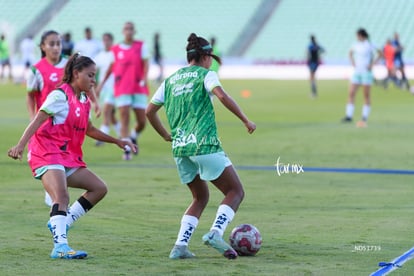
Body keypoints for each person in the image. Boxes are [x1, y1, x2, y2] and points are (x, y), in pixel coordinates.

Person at [7, 53, 136, 259]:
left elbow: (90, 129)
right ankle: (60, 247)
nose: (93, 81)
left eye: (95, 76)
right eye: (90, 75)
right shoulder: (60, 96)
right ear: (76, 74)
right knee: (62, 196)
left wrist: (118, 141)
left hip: (67, 156)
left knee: (99, 188)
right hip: (46, 153)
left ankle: (61, 222)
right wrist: (21, 145)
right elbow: (37, 120)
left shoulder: (83, 99)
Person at [146, 33, 256, 259]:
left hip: (180, 148)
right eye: (210, 58)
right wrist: (245, 119)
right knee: (235, 191)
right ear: (205, 57)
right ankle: (216, 232)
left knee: (200, 197)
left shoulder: (170, 80)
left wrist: (166, 134)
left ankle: (180, 246)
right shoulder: (206, 75)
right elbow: (222, 96)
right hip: (204, 144)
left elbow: (149, 111)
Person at [27, 30, 100, 206]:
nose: (56, 47)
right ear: (43, 47)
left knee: (67, 157)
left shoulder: (70, 64)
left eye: (58, 43)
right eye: (51, 44)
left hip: (65, 123)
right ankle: (58, 206)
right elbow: (31, 95)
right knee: (52, 169)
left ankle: (59, 206)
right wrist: (32, 117)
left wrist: (96, 102)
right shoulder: (37, 69)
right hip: (46, 124)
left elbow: (86, 82)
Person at [97, 21, 150, 160]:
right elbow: (111, 68)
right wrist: (101, 84)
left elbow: (146, 64)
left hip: (138, 87)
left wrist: (144, 78)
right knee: (124, 117)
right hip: (121, 87)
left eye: (131, 29)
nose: (129, 31)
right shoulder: (116, 49)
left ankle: (133, 136)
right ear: (123, 32)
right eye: (126, 29)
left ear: (134, 31)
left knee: (142, 121)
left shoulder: (140, 46)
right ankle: (126, 149)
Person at [342, 28, 382, 128]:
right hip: (357, 72)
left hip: (366, 72)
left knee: (366, 95)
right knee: (351, 93)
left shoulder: (369, 44)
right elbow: (350, 53)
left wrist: (372, 64)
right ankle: (349, 116)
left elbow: (380, 54)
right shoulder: (355, 45)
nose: (356, 37)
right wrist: (353, 63)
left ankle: (364, 117)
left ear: (361, 35)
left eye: (357, 35)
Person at [94, 32, 120, 145]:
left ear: (111, 41)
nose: (106, 42)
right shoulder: (99, 56)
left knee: (106, 111)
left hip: (113, 87)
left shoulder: (115, 54)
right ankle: (122, 136)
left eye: (108, 40)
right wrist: (95, 87)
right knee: (111, 114)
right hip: (103, 88)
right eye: (104, 40)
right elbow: (94, 72)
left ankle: (101, 137)